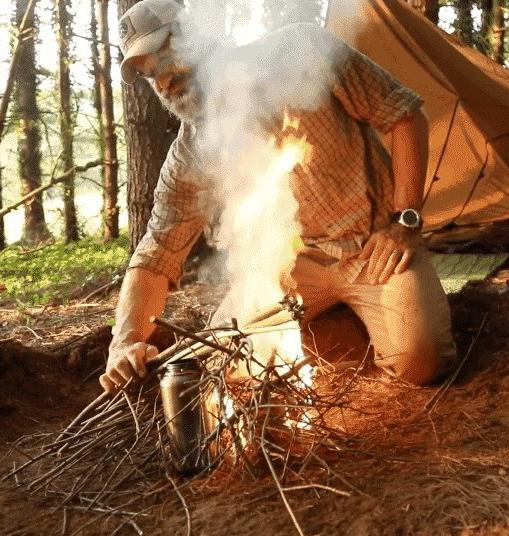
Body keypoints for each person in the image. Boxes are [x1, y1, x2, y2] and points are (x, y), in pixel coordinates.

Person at [100, 0, 457, 393]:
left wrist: (403, 222)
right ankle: (335, 333)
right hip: (285, 271)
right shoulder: (190, 154)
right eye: (150, 76)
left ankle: (360, 322)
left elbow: (403, 116)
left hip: (370, 251)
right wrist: (123, 343)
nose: (162, 83)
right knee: (224, 362)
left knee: (420, 362)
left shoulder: (302, 50)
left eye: (163, 57)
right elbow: (156, 254)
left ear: (193, 33)